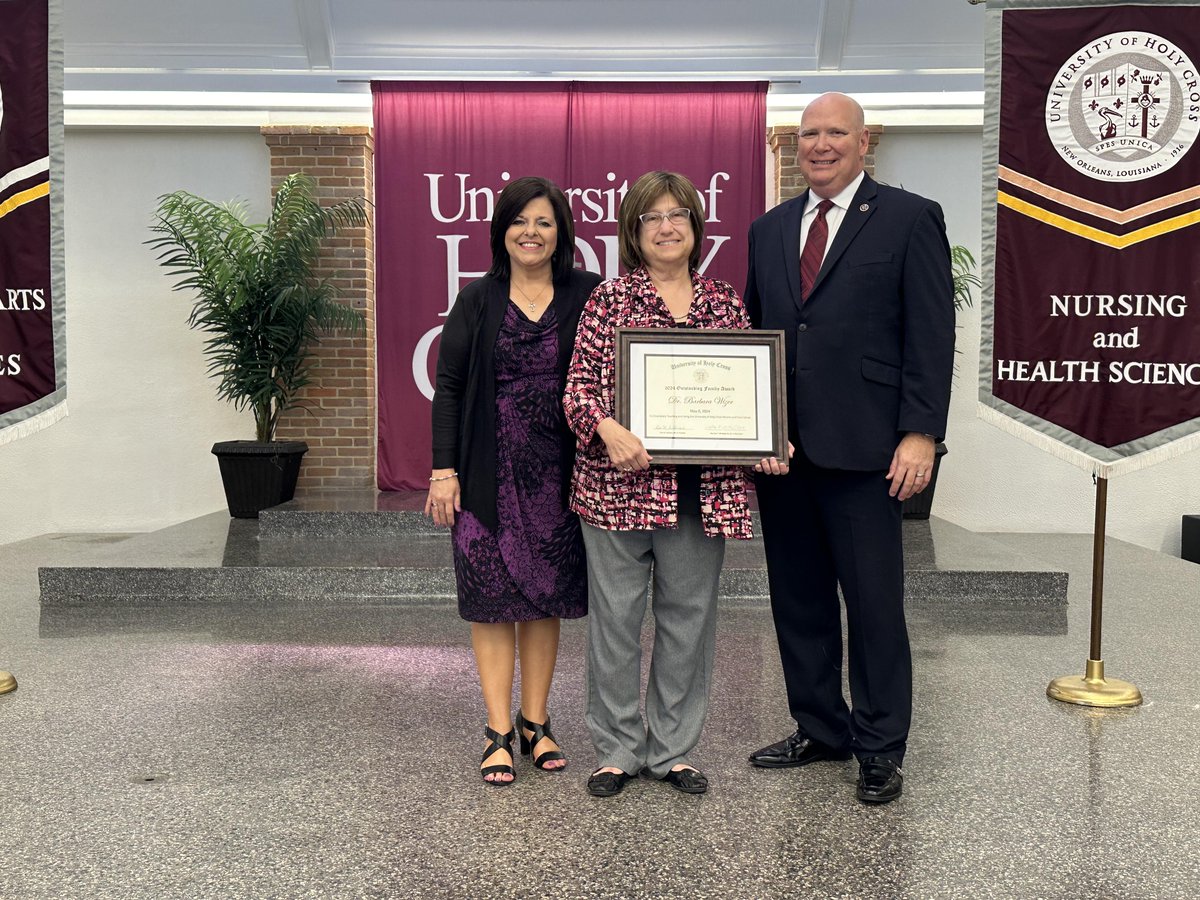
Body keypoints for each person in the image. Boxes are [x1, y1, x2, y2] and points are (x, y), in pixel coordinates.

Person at [743, 92, 955, 804]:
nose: (821, 144)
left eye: (837, 132)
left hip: (869, 452)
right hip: (786, 455)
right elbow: (759, 340)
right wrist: (756, 431)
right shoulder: (769, 229)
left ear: (866, 142)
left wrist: (922, 432)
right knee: (798, 601)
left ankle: (880, 746)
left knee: (873, 607)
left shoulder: (908, 217)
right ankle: (821, 728)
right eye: (809, 134)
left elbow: (930, 334)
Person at [564, 170, 787, 798]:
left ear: (695, 226)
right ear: (634, 232)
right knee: (615, 623)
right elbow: (577, 390)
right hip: (617, 491)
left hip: (703, 493)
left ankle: (672, 751)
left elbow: (752, 394)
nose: (667, 227)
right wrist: (607, 427)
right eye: (652, 217)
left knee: (689, 622)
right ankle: (616, 749)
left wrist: (769, 440)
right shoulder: (609, 299)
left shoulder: (723, 302)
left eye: (679, 215)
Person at [426, 176, 602, 786]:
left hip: (559, 476)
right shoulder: (477, 299)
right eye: (520, 221)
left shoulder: (588, 293)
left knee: (543, 599)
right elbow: (448, 388)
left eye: (545, 221)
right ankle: (498, 729)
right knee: (492, 602)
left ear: (562, 234)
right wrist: (443, 470)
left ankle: (537, 721)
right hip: (482, 475)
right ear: (502, 230)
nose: (532, 232)